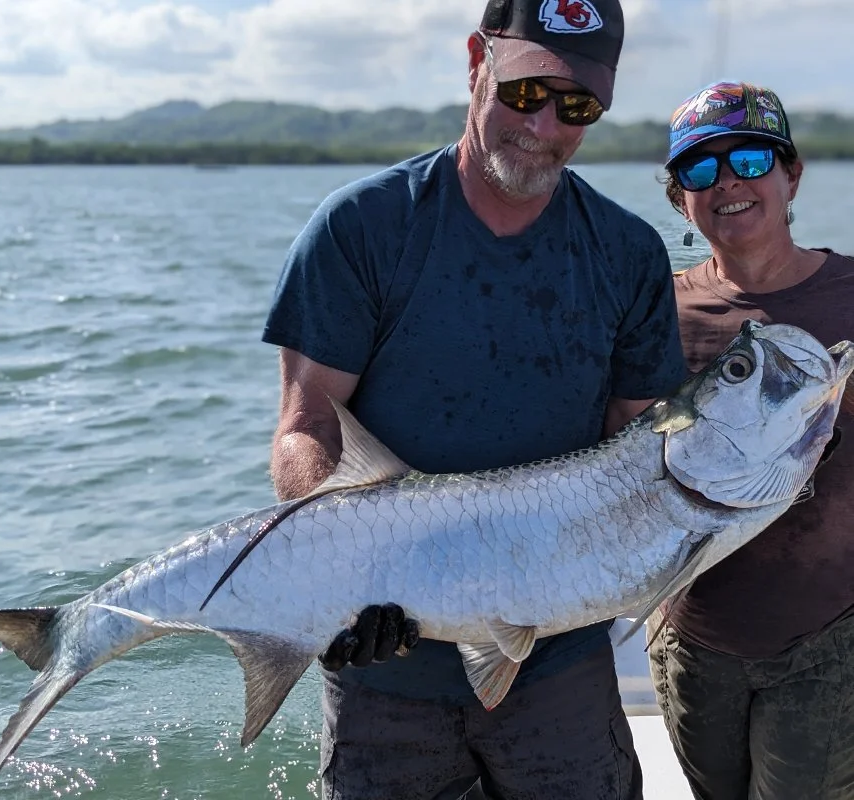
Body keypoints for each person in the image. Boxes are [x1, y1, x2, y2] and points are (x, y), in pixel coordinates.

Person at [262, 0, 687, 797]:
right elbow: (306, 424)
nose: (546, 125)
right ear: (475, 63)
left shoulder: (628, 255)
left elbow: (641, 456)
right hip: (384, 674)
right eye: (527, 92)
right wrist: (345, 575)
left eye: (579, 106)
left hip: (560, 665)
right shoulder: (362, 228)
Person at [647, 80, 854, 800]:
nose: (728, 181)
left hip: (829, 634)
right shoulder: (655, 310)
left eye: (752, 160)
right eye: (700, 171)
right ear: (680, 201)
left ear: (792, 173)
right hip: (689, 635)